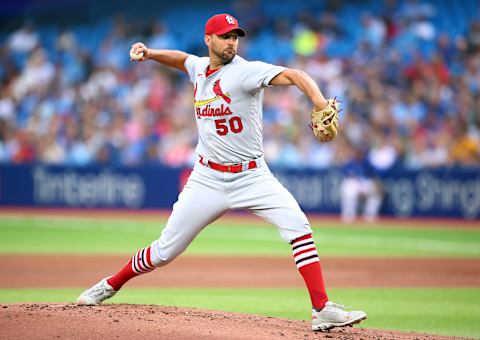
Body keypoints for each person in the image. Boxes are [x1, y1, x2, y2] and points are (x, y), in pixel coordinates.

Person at [77, 13, 367, 332]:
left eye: (235, 36)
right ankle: (110, 285)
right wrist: (150, 54)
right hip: (207, 179)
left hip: (252, 175)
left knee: (298, 226)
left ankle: (321, 309)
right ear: (209, 40)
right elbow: (183, 60)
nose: (232, 42)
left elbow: (295, 74)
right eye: (226, 36)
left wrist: (319, 101)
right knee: (164, 251)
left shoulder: (246, 72)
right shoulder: (200, 68)